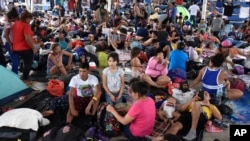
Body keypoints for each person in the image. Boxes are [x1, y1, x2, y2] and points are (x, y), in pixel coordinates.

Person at [12, 10, 37, 81]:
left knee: (23, 62)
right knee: (28, 64)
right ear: (26, 18)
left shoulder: (16, 23)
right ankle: (25, 78)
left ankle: (22, 75)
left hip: (16, 48)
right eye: (29, 18)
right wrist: (34, 48)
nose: (30, 20)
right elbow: (28, 39)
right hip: (25, 48)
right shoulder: (26, 26)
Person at [3, 7, 19, 74]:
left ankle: (14, 73)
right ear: (12, 17)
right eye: (15, 18)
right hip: (9, 44)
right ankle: (15, 74)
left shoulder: (10, 24)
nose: (16, 19)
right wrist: (11, 45)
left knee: (15, 59)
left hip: (10, 43)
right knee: (15, 60)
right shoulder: (9, 25)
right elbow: (6, 35)